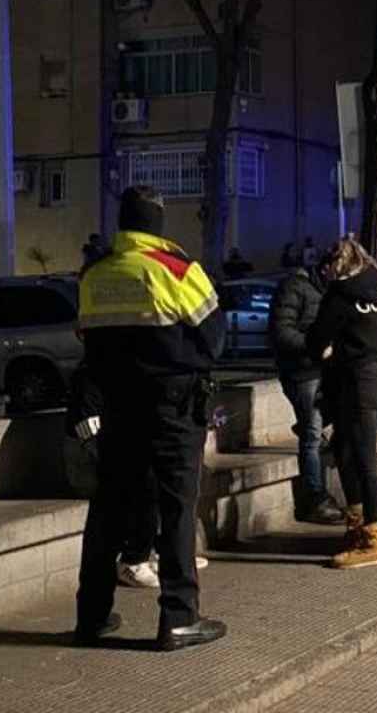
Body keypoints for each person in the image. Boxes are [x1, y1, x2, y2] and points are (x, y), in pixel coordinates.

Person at [74, 186, 226, 651]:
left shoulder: (94, 274)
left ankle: (92, 617)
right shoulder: (177, 270)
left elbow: (90, 344)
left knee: (108, 512)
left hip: (118, 408)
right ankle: (178, 618)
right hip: (173, 410)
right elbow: (214, 340)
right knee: (176, 509)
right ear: (158, 223)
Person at [307, 238, 377, 569]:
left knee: (362, 458)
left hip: (356, 382)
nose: (326, 273)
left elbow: (316, 339)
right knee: (346, 450)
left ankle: (372, 542)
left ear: (339, 264)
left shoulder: (340, 295)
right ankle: (358, 526)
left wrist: (332, 350)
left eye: (328, 266)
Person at [64, 367, 161, 589]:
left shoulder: (119, 373)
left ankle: (157, 552)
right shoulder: (89, 376)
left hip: (109, 456)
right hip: (89, 465)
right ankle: (132, 560)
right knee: (143, 483)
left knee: (160, 474)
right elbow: (88, 438)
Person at [268, 254, 343, 524]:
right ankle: (314, 498)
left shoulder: (331, 291)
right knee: (312, 433)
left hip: (324, 371)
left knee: (318, 428)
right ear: (325, 269)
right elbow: (281, 332)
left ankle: (321, 491)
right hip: (303, 371)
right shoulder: (295, 287)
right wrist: (316, 347)